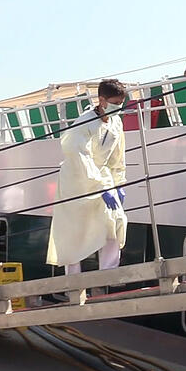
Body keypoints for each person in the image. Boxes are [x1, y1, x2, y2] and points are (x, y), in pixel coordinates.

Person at [47, 79, 128, 277]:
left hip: (103, 177)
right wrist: (100, 186)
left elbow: (118, 155)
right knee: (75, 231)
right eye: (115, 103)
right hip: (77, 179)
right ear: (102, 100)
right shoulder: (84, 123)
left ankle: (108, 276)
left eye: (121, 103)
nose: (119, 107)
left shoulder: (116, 122)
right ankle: (73, 282)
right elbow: (78, 155)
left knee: (115, 221)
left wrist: (118, 183)